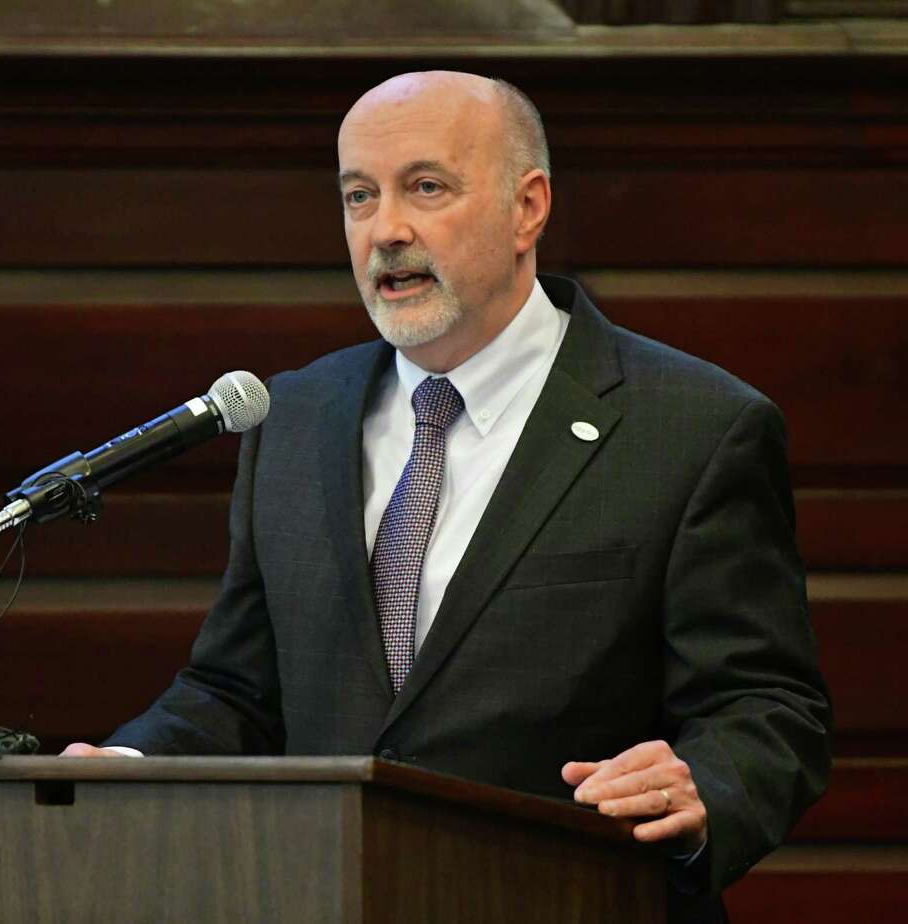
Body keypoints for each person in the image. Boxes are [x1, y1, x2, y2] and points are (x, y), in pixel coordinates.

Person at [63, 71, 830, 921]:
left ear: (527, 207)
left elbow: (766, 708)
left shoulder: (692, 427)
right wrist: (124, 771)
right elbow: (238, 691)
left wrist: (705, 788)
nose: (386, 230)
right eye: (360, 196)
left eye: (425, 188)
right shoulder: (294, 419)